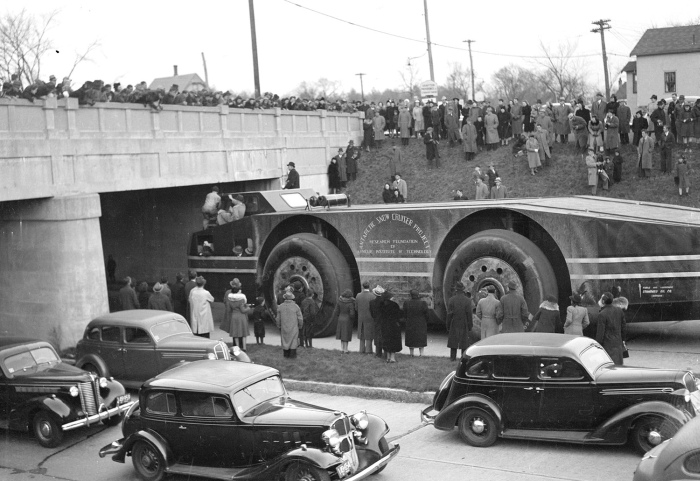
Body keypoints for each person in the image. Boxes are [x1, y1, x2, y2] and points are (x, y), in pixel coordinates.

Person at [596, 292, 626, 365]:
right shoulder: (619, 311)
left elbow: (600, 332)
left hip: (608, 346)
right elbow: (623, 327)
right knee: (619, 366)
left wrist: (597, 344)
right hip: (618, 344)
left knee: (609, 367)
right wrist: (623, 340)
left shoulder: (602, 314)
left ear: (603, 301)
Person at [446, 282, 473, 361]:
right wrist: (470, 326)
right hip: (464, 322)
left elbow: (449, 314)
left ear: (456, 290)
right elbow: (469, 314)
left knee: (453, 341)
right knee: (464, 342)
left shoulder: (451, 300)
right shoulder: (467, 300)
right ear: (463, 290)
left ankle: (452, 357)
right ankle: (463, 358)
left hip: (454, 322)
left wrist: (448, 325)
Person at [224, 278, 250, 350]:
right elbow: (243, 309)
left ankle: (237, 348)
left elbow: (228, 309)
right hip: (242, 316)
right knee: (243, 333)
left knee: (235, 334)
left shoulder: (229, 297)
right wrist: (248, 308)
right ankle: (244, 347)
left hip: (234, 316)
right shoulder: (242, 298)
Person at [276, 291, 303, 358]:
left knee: (285, 340)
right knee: (293, 340)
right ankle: (292, 355)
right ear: (292, 298)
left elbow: (278, 319)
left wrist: (279, 326)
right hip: (294, 327)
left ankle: (286, 354)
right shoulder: (296, 307)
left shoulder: (280, 307)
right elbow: (300, 318)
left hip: (284, 327)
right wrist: (300, 326)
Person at [403, 289, 429, 357]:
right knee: (421, 338)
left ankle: (411, 353)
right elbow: (427, 314)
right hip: (421, 323)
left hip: (410, 323)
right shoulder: (423, 303)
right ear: (418, 295)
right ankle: (421, 353)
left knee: (411, 338)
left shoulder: (406, 303)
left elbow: (404, 314)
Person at [379, 290, 402, 363]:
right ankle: (392, 358)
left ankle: (388, 358)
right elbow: (398, 315)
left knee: (386, 340)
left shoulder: (381, 305)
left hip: (384, 325)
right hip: (393, 325)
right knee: (393, 341)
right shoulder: (394, 305)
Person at [356, 281, 375, 354]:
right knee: (369, 334)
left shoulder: (358, 295)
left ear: (362, 287)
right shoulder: (372, 296)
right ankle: (369, 350)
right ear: (369, 287)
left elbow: (356, 307)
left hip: (361, 317)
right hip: (370, 317)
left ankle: (361, 349)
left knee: (361, 333)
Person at [334, 289, 356, 354]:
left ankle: (342, 349)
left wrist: (339, 315)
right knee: (346, 335)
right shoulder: (350, 303)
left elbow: (336, 311)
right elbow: (352, 314)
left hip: (340, 318)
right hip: (347, 320)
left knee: (342, 335)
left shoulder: (339, 301)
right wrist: (352, 318)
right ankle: (346, 350)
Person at [370, 285, 385, 358]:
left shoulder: (372, 302)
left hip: (376, 320)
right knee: (384, 336)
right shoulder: (384, 302)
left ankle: (378, 353)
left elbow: (371, 313)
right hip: (384, 320)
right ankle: (385, 352)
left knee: (377, 336)